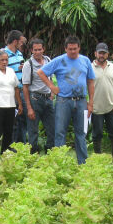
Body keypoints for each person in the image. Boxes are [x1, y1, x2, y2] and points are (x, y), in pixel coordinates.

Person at [37, 35, 96, 164]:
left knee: (81, 133)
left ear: (79, 48)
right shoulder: (59, 61)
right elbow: (41, 72)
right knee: (60, 132)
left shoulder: (85, 61)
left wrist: (90, 103)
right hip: (63, 101)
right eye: (70, 49)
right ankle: (59, 162)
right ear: (65, 49)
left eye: (75, 48)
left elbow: (91, 81)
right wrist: (52, 87)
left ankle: (83, 162)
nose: (73, 51)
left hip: (81, 101)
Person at [91, 42, 113, 164]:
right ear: (95, 53)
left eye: (104, 53)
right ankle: (97, 159)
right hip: (96, 107)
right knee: (97, 134)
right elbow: (85, 87)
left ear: (107, 54)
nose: (101, 55)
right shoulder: (90, 67)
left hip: (111, 107)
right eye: (100, 53)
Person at [22, 38, 54, 154]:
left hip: (48, 98)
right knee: (33, 130)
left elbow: (51, 78)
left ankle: (50, 152)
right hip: (35, 99)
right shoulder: (28, 65)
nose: (37, 52)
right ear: (31, 50)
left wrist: (52, 93)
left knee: (52, 128)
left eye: (39, 49)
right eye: (35, 50)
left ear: (43, 49)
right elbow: (25, 87)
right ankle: (33, 154)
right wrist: (29, 108)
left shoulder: (49, 61)